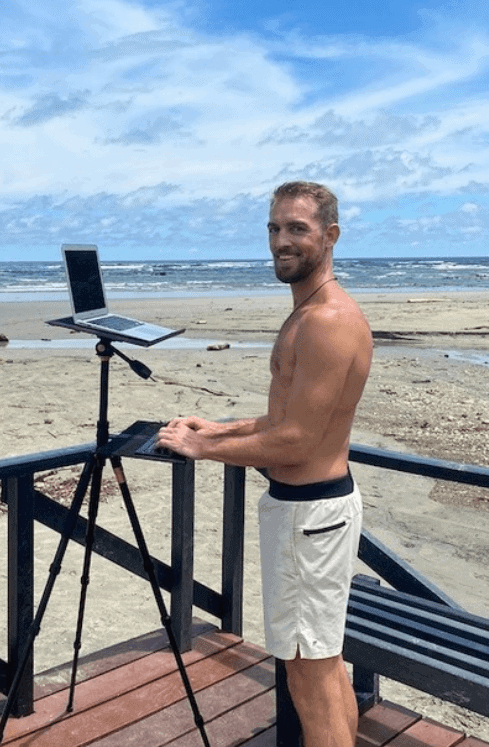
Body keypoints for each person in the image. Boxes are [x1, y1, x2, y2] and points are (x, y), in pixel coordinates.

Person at [157, 180, 372, 747]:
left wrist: (203, 449)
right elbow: (290, 420)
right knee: (321, 662)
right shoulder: (309, 313)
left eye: (297, 229)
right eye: (274, 228)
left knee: (309, 671)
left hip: (310, 516)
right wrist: (220, 428)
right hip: (312, 513)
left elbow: (298, 442)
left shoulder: (326, 321)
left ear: (330, 236)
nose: (281, 240)